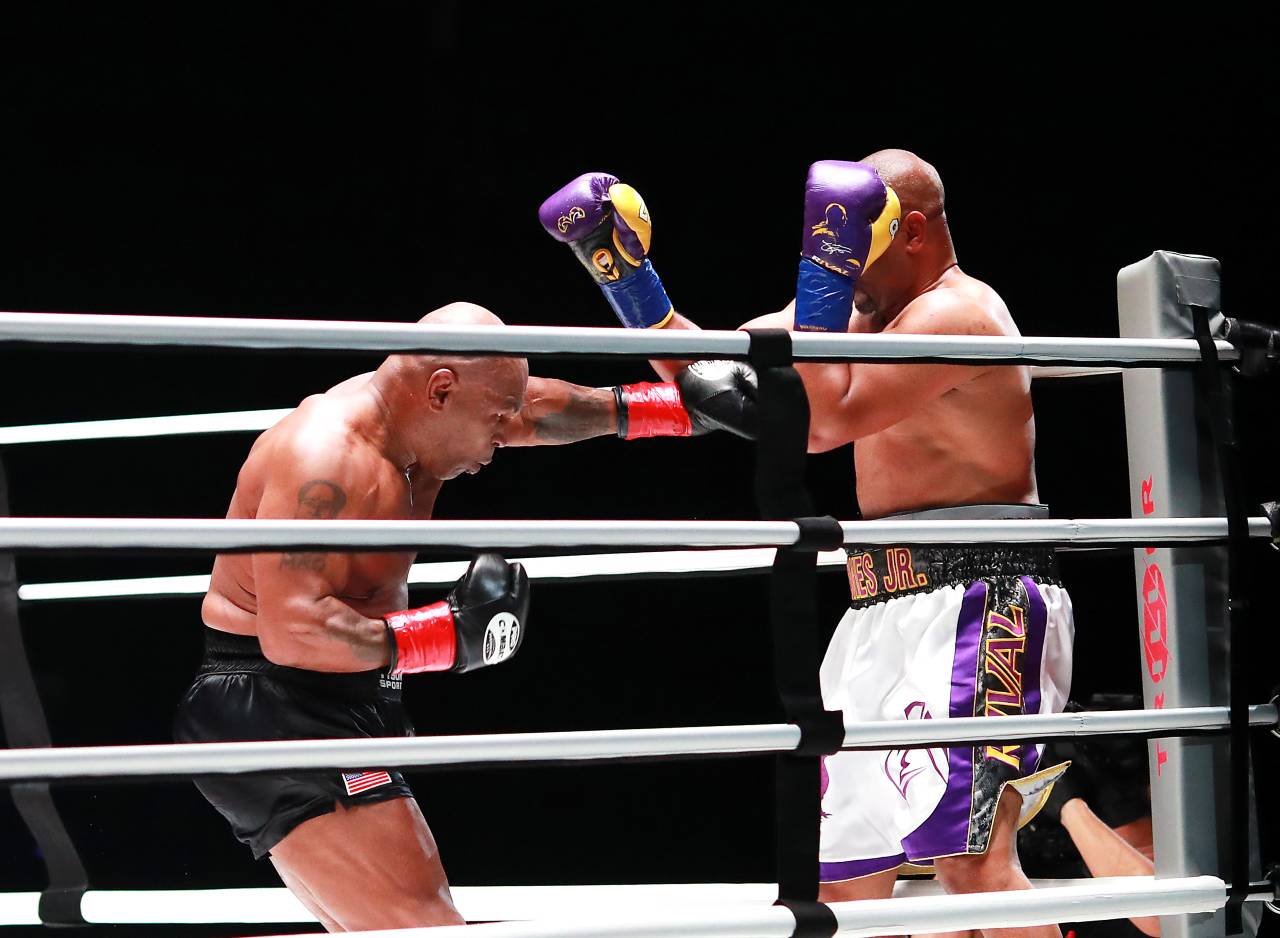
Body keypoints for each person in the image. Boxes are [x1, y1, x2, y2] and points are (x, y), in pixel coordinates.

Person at [540, 151, 1076, 937]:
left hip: (980, 597)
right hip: (876, 607)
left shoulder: (957, 315)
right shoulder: (858, 313)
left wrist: (823, 282)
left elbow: (820, 426)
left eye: (854, 243)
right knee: (845, 879)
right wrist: (626, 276)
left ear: (913, 232)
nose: (844, 265)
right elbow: (727, 379)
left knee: (974, 865)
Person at [174, 302, 710, 931]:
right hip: (275, 706)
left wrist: (678, 411)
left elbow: (535, 409)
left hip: (329, 698)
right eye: (493, 422)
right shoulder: (326, 460)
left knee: (392, 928)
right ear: (441, 389)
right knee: (425, 927)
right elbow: (293, 631)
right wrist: (446, 638)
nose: (501, 439)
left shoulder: (424, 418)